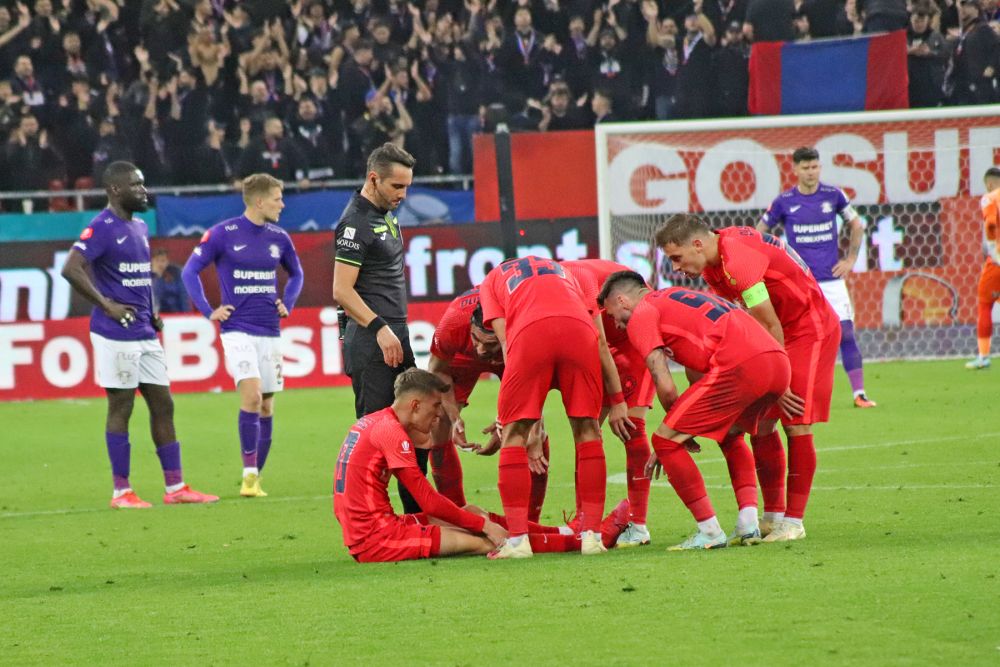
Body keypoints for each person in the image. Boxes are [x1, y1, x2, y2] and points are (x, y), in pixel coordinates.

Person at [655, 215, 841, 542]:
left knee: (795, 421)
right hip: (779, 332)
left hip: (809, 329)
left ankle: (793, 523)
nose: (676, 268)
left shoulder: (737, 261)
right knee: (762, 422)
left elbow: (769, 324)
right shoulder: (715, 266)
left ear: (698, 244)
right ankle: (772, 516)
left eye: (677, 257)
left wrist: (778, 381)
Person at [333, 368, 633, 562]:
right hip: (377, 540)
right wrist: (484, 526)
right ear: (415, 405)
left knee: (472, 512)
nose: (438, 416)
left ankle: (566, 532)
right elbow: (427, 500)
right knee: (485, 540)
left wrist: (478, 519)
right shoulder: (390, 432)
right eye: (436, 407)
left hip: (379, 526)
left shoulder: (373, 422)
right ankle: (584, 540)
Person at [60, 161, 218, 509]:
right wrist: (105, 305)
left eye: (143, 184)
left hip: (144, 330)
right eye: (136, 185)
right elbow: (70, 268)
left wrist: (154, 312)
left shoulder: (140, 227)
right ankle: (121, 492)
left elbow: (139, 277)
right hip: (114, 333)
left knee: (163, 404)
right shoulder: (101, 227)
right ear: (115, 190)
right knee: (122, 406)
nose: (143, 191)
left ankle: (175, 487)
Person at [599, 272, 791, 549]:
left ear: (622, 300)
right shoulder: (675, 298)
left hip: (740, 364)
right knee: (732, 434)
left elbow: (663, 383)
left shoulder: (642, 315)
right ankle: (748, 524)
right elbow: (696, 371)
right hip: (775, 361)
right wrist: (684, 425)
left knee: (664, 440)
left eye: (612, 313)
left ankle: (710, 532)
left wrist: (675, 436)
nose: (615, 323)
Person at [181, 173, 304, 497]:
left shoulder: (280, 237)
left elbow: (297, 274)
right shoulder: (223, 234)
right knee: (251, 394)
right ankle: (249, 475)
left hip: (270, 329)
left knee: (266, 406)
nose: (283, 203)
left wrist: (286, 302)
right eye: (278, 198)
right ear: (260, 201)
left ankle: (255, 477)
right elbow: (189, 271)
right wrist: (209, 310)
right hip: (237, 329)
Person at [478, 255, 607, 558]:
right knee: (588, 429)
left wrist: (525, 416)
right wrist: (615, 399)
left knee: (513, 434)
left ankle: (519, 541)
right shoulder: (563, 270)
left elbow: (507, 342)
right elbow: (600, 339)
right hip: (580, 330)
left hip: (530, 333)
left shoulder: (493, 279)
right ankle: (592, 537)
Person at [333, 142, 421, 511]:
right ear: (374, 179)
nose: (403, 195)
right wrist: (380, 328)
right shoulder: (354, 222)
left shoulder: (385, 213)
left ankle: (418, 514)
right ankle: (371, 517)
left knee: (417, 423)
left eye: (406, 187)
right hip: (372, 339)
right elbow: (341, 290)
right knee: (377, 434)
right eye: (396, 187)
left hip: (394, 332)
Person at [757, 147, 876, 408]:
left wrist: (851, 259)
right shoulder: (784, 201)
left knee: (845, 333)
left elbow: (857, 224)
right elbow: (759, 233)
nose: (811, 172)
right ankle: (784, 391)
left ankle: (859, 393)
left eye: (815, 167)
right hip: (798, 282)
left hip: (831, 280)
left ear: (819, 168)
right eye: (806, 168)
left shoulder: (833, 195)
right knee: (792, 336)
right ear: (795, 170)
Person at [427, 288, 553, 521]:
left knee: (531, 433)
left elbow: (533, 388)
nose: (482, 350)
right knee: (438, 424)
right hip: (463, 359)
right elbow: (436, 370)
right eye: (477, 339)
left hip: (513, 354)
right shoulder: (454, 321)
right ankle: (458, 517)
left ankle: (530, 523)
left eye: (489, 344)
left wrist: (508, 422)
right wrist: (454, 417)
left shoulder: (524, 329)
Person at [561, 259, 654, 547]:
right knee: (586, 430)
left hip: (632, 336)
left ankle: (638, 525)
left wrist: (617, 401)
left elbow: (603, 338)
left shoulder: (573, 279)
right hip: (594, 341)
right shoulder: (547, 289)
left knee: (632, 427)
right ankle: (585, 520)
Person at [965, 166, 1000, 369]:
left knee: (985, 304)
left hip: (996, 262)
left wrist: (994, 251)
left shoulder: (990, 197)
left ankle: (984, 357)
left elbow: (990, 224)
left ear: (988, 183)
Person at [151, 248, 189, 314]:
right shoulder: (145, 275)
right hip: (153, 315)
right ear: (152, 262)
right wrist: (156, 276)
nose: (160, 264)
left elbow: (183, 296)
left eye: (163, 261)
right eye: (157, 261)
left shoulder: (176, 273)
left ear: (167, 262)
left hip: (173, 313)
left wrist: (185, 315)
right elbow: (155, 296)